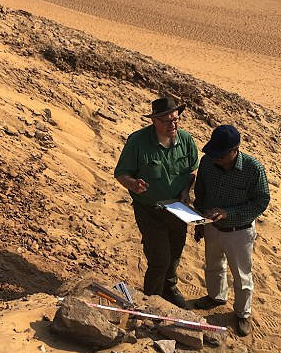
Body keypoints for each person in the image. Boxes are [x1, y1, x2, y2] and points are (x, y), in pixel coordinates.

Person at [114, 97, 199, 309]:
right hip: (149, 210)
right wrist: (133, 184)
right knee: (159, 258)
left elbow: (193, 170)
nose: (173, 125)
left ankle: (169, 288)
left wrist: (186, 191)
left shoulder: (186, 140)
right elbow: (121, 173)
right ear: (154, 121)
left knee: (175, 253)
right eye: (167, 121)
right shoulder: (138, 142)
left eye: (176, 120)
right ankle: (151, 298)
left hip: (178, 210)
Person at [192, 125, 269, 336]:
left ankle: (243, 313)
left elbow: (261, 202)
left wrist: (228, 213)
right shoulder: (207, 162)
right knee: (213, 265)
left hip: (239, 232)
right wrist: (200, 222)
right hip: (212, 227)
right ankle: (216, 296)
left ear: (234, 150)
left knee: (242, 275)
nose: (215, 158)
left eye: (220, 154)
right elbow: (201, 192)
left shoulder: (253, 169)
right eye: (213, 152)